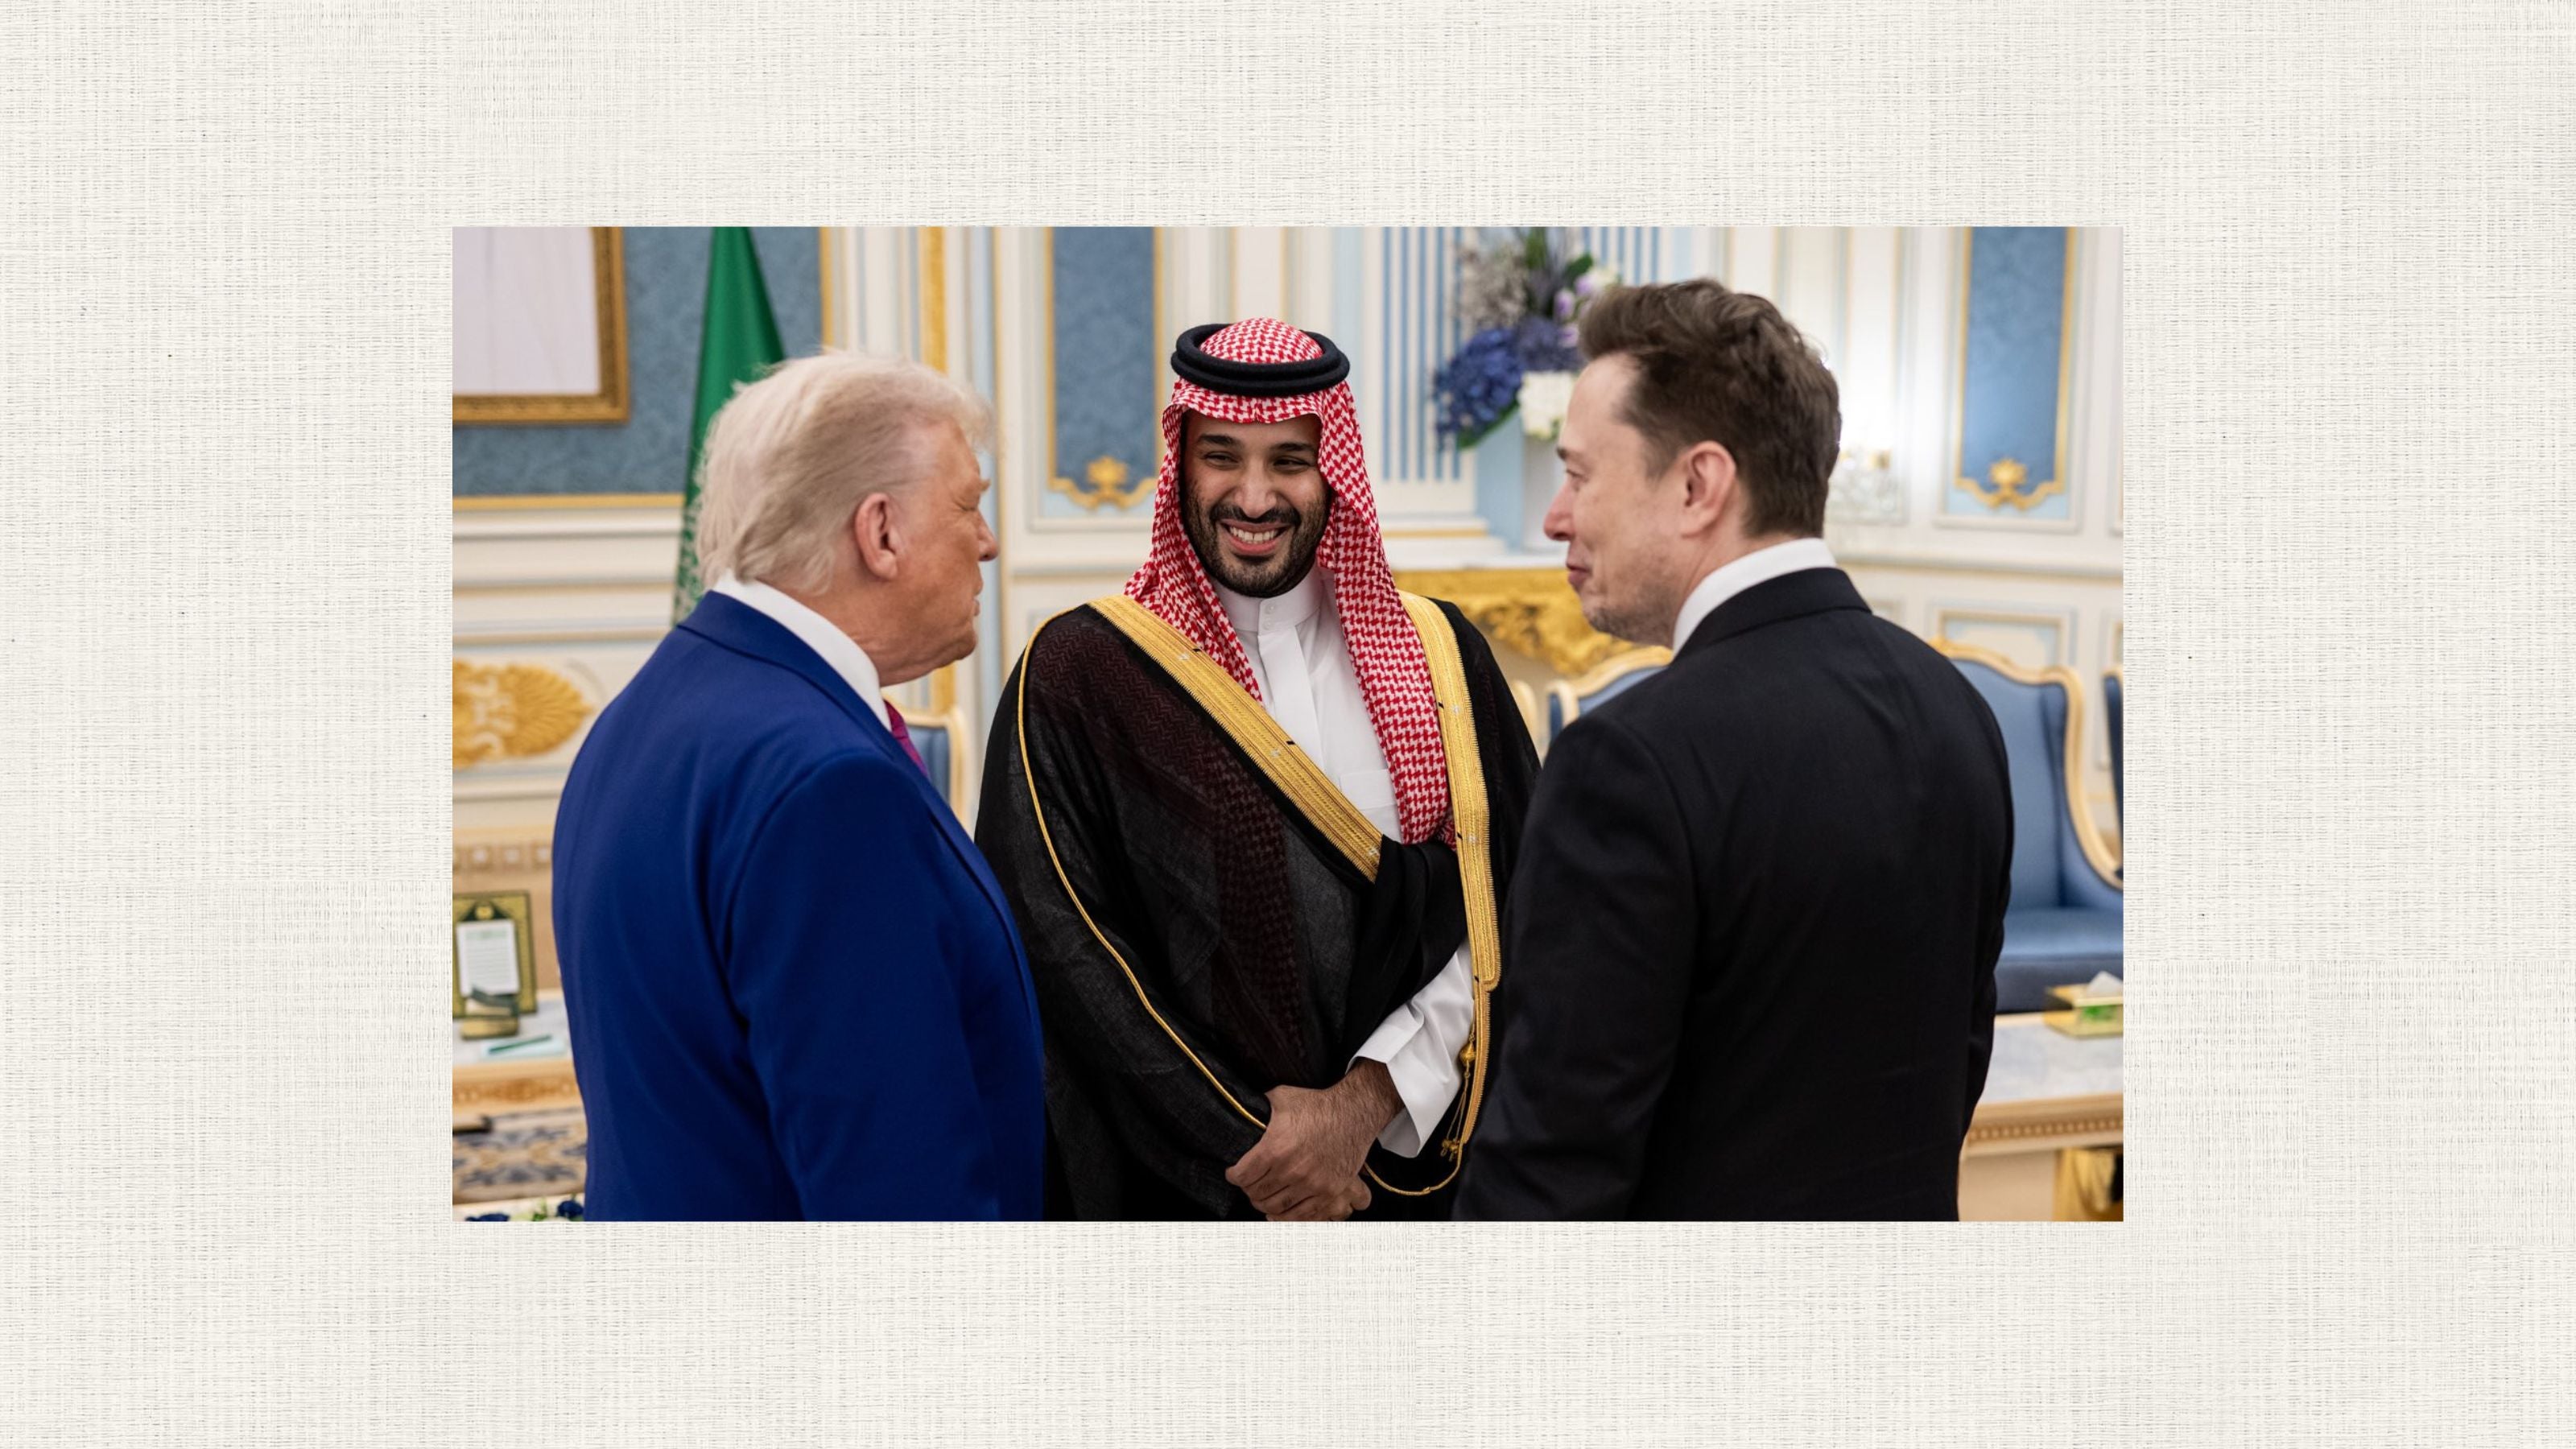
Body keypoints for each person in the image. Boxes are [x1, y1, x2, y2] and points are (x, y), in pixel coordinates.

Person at [1452, 280, 2014, 1221]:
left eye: (1580, 475)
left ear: (1695, 486)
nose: (1555, 516)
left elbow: (1552, 1168)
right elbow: (1949, 1077)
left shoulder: (1626, 762)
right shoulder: (1954, 708)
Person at [976, 319, 1539, 1220]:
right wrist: (1262, 1154)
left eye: (1288, 460)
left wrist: (1362, 1107)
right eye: (1222, 456)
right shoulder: (1085, 674)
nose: (1252, 495)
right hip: (1186, 1196)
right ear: (1180, 464)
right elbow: (1067, 951)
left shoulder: (1440, 656)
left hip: (1406, 1176)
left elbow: (1500, 894)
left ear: (1333, 471)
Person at [551, 351, 1042, 1220]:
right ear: (880, 532)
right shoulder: (831, 784)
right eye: (968, 503)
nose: (989, 540)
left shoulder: (648, 708)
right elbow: (894, 1187)